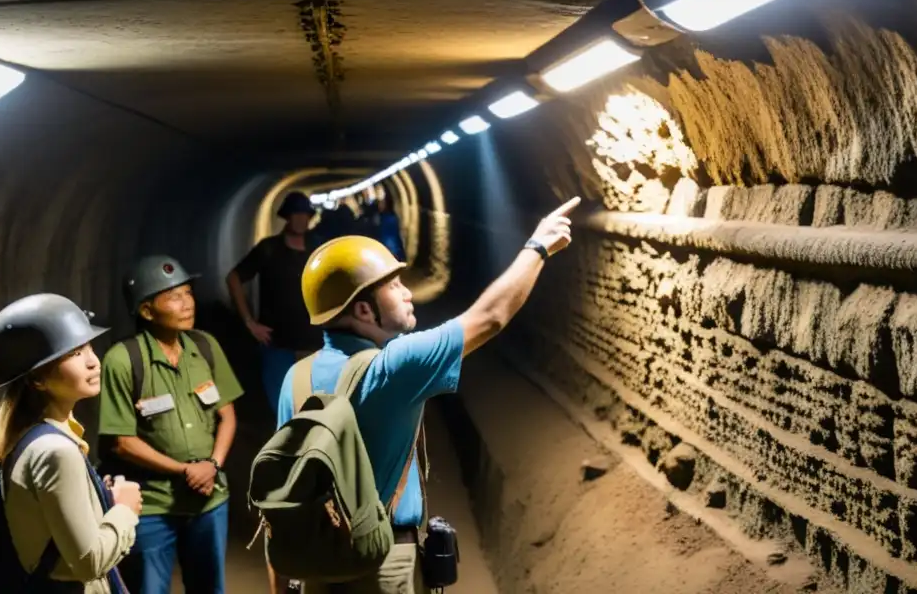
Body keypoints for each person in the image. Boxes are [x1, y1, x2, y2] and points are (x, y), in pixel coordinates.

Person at [273, 196, 581, 593]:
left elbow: (285, 491)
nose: (408, 293)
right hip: (383, 564)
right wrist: (538, 246)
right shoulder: (394, 367)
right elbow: (490, 317)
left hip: (318, 566)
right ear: (364, 311)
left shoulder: (296, 379)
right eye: (394, 286)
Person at [98, 255, 244, 594]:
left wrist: (212, 465)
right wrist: (184, 471)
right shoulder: (124, 361)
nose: (187, 303)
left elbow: (228, 414)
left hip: (209, 502)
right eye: (174, 296)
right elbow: (121, 441)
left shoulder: (205, 347)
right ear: (147, 311)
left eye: (189, 293)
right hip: (151, 506)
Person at [0, 293, 142, 593]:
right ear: (37, 379)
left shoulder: (28, 437)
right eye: (74, 352)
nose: (93, 361)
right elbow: (88, 562)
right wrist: (124, 509)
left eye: (89, 346)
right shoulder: (55, 451)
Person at [226, 190, 323, 414]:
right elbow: (234, 278)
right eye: (295, 214)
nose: (300, 219)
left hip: (313, 342)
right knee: (283, 407)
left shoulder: (318, 248)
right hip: (277, 344)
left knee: (315, 406)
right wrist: (249, 322)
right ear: (286, 217)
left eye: (304, 214)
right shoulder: (269, 249)